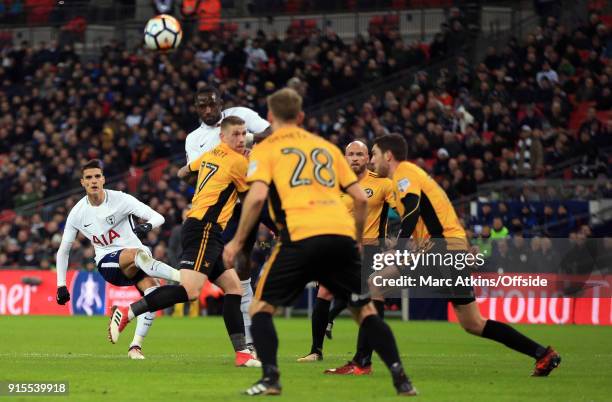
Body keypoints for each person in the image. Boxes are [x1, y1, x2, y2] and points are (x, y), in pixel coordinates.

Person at [222, 88, 416, 396]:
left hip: (299, 235)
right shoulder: (326, 148)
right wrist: (353, 239)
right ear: (300, 117)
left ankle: (271, 378)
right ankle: (401, 377)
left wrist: (237, 240)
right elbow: (358, 199)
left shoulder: (265, 149)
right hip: (339, 235)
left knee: (260, 307)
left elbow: (257, 197)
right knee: (365, 311)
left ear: (270, 118)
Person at [368, 133, 561, 377]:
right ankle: (543, 354)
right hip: (448, 249)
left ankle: (363, 361)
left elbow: (414, 209)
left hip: (441, 250)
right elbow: (435, 213)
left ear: (388, 155)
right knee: (474, 324)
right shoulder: (408, 177)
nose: (371, 160)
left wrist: (401, 248)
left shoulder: (404, 172)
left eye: (374, 154)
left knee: (376, 284)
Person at [108, 116, 260, 368]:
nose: (241, 139)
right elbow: (252, 199)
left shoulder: (214, 153)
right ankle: (128, 312)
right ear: (223, 136)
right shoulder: (237, 161)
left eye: (244, 133)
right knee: (190, 291)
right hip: (204, 229)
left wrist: (203, 188)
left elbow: (183, 172)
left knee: (234, 288)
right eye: (236, 134)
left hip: (204, 227)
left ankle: (242, 353)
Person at [55, 159, 183, 359]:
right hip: (109, 263)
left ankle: (135, 346)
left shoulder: (121, 199)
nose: (94, 181)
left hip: (137, 260)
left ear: (104, 179)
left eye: (97, 176)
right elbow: (63, 250)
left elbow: (158, 217)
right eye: (89, 178)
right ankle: (182, 277)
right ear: (82, 183)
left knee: (153, 294)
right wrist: (61, 285)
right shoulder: (77, 213)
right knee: (136, 254)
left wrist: (147, 226)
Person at [185, 86, 271, 348]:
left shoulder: (240, 115)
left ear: (221, 102)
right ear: (196, 108)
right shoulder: (194, 138)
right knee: (236, 265)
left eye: (212, 104)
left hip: (254, 190)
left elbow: (271, 133)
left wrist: (247, 142)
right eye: (202, 106)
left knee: (246, 260)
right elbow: (192, 173)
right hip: (223, 207)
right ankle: (248, 336)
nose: (208, 110)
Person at [297, 140, 395, 370]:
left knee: (371, 297)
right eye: (350, 154)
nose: (354, 158)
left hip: (371, 248)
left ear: (368, 157)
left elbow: (403, 209)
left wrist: (396, 237)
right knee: (324, 292)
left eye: (359, 154)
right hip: (340, 248)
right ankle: (316, 350)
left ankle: (365, 357)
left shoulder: (383, 184)